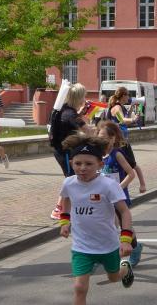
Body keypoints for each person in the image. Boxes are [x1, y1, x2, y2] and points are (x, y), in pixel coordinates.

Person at [57, 134, 136, 305]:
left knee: (114, 277)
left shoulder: (108, 185)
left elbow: (124, 212)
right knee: (79, 288)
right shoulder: (69, 183)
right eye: (77, 163)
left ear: (100, 164)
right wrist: (65, 222)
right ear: (71, 163)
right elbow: (65, 202)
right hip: (81, 247)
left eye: (88, 164)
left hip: (108, 245)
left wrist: (126, 239)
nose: (82, 168)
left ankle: (124, 268)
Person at [97, 121, 144, 267]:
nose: (101, 140)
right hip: (104, 197)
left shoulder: (117, 154)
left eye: (104, 138)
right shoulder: (99, 155)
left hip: (119, 196)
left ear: (113, 138)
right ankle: (100, 255)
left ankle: (135, 247)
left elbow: (131, 174)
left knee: (124, 226)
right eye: (99, 137)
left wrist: (117, 188)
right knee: (109, 225)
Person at [49, 84, 94, 220]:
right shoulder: (70, 114)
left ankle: (67, 208)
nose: (84, 99)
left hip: (60, 150)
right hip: (66, 151)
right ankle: (59, 209)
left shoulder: (63, 109)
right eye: (83, 96)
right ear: (78, 97)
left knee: (72, 179)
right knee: (71, 180)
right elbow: (87, 130)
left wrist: (81, 113)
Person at [105, 87, 147, 195]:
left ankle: (124, 189)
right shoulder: (117, 107)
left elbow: (124, 118)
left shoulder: (121, 107)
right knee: (132, 165)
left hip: (121, 140)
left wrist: (132, 109)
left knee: (126, 166)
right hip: (120, 142)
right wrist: (133, 119)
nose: (129, 97)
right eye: (128, 95)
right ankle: (141, 185)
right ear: (123, 96)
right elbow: (122, 120)